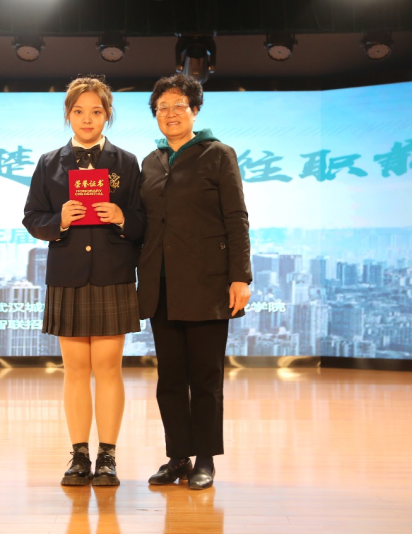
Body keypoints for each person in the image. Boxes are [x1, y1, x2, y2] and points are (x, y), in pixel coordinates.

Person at [23, 75, 145, 487]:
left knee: (109, 368)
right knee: (75, 370)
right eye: (79, 111)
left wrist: (122, 217)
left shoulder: (127, 163)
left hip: (113, 274)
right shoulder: (49, 163)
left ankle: (107, 456)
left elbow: (144, 221)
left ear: (108, 114)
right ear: (68, 114)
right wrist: (59, 220)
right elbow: (32, 218)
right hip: (68, 275)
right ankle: (78, 456)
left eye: (96, 111)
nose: (87, 118)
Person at [137, 74, 252, 490]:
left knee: (205, 378)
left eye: (178, 105)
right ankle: (177, 457)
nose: (170, 113)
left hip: (207, 284)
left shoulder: (218, 154)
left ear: (195, 110)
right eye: (162, 107)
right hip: (161, 286)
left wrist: (240, 277)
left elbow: (236, 218)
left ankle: (205, 458)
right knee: (170, 379)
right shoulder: (150, 162)